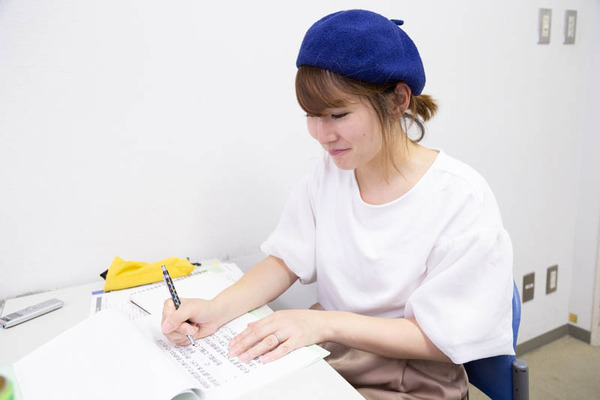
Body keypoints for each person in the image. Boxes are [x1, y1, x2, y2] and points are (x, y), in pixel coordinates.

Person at [162, 9, 514, 399]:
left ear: (398, 101)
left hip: (414, 377)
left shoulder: (460, 198)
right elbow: (285, 261)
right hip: (332, 356)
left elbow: (443, 339)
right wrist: (215, 310)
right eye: (312, 116)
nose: (322, 134)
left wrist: (325, 325)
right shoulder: (330, 175)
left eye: (338, 114)